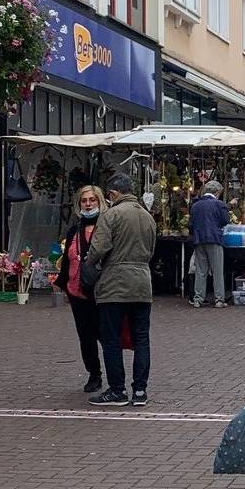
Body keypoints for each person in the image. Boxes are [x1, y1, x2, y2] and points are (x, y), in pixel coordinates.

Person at [85, 173, 158, 407]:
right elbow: (151, 249)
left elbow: (98, 248)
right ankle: (140, 391)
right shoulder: (148, 217)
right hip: (142, 282)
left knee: (111, 339)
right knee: (141, 338)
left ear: (114, 194)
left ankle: (117, 390)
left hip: (114, 283)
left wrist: (90, 263)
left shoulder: (111, 214)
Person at [53, 185, 109, 393]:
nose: (88, 204)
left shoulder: (106, 226)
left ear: (99, 201)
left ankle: (115, 375)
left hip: (102, 290)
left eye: (92, 200)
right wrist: (62, 284)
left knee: (106, 334)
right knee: (85, 336)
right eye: (84, 201)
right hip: (77, 291)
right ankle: (94, 374)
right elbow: (67, 260)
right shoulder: (74, 229)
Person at [189, 180, 232, 308]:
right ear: (217, 192)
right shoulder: (219, 204)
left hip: (199, 239)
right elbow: (225, 220)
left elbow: (190, 224)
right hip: (214, 239)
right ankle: (219, 299)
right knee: (217, 270)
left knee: (200, 270)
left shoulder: (195, 205)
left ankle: (198, 299)